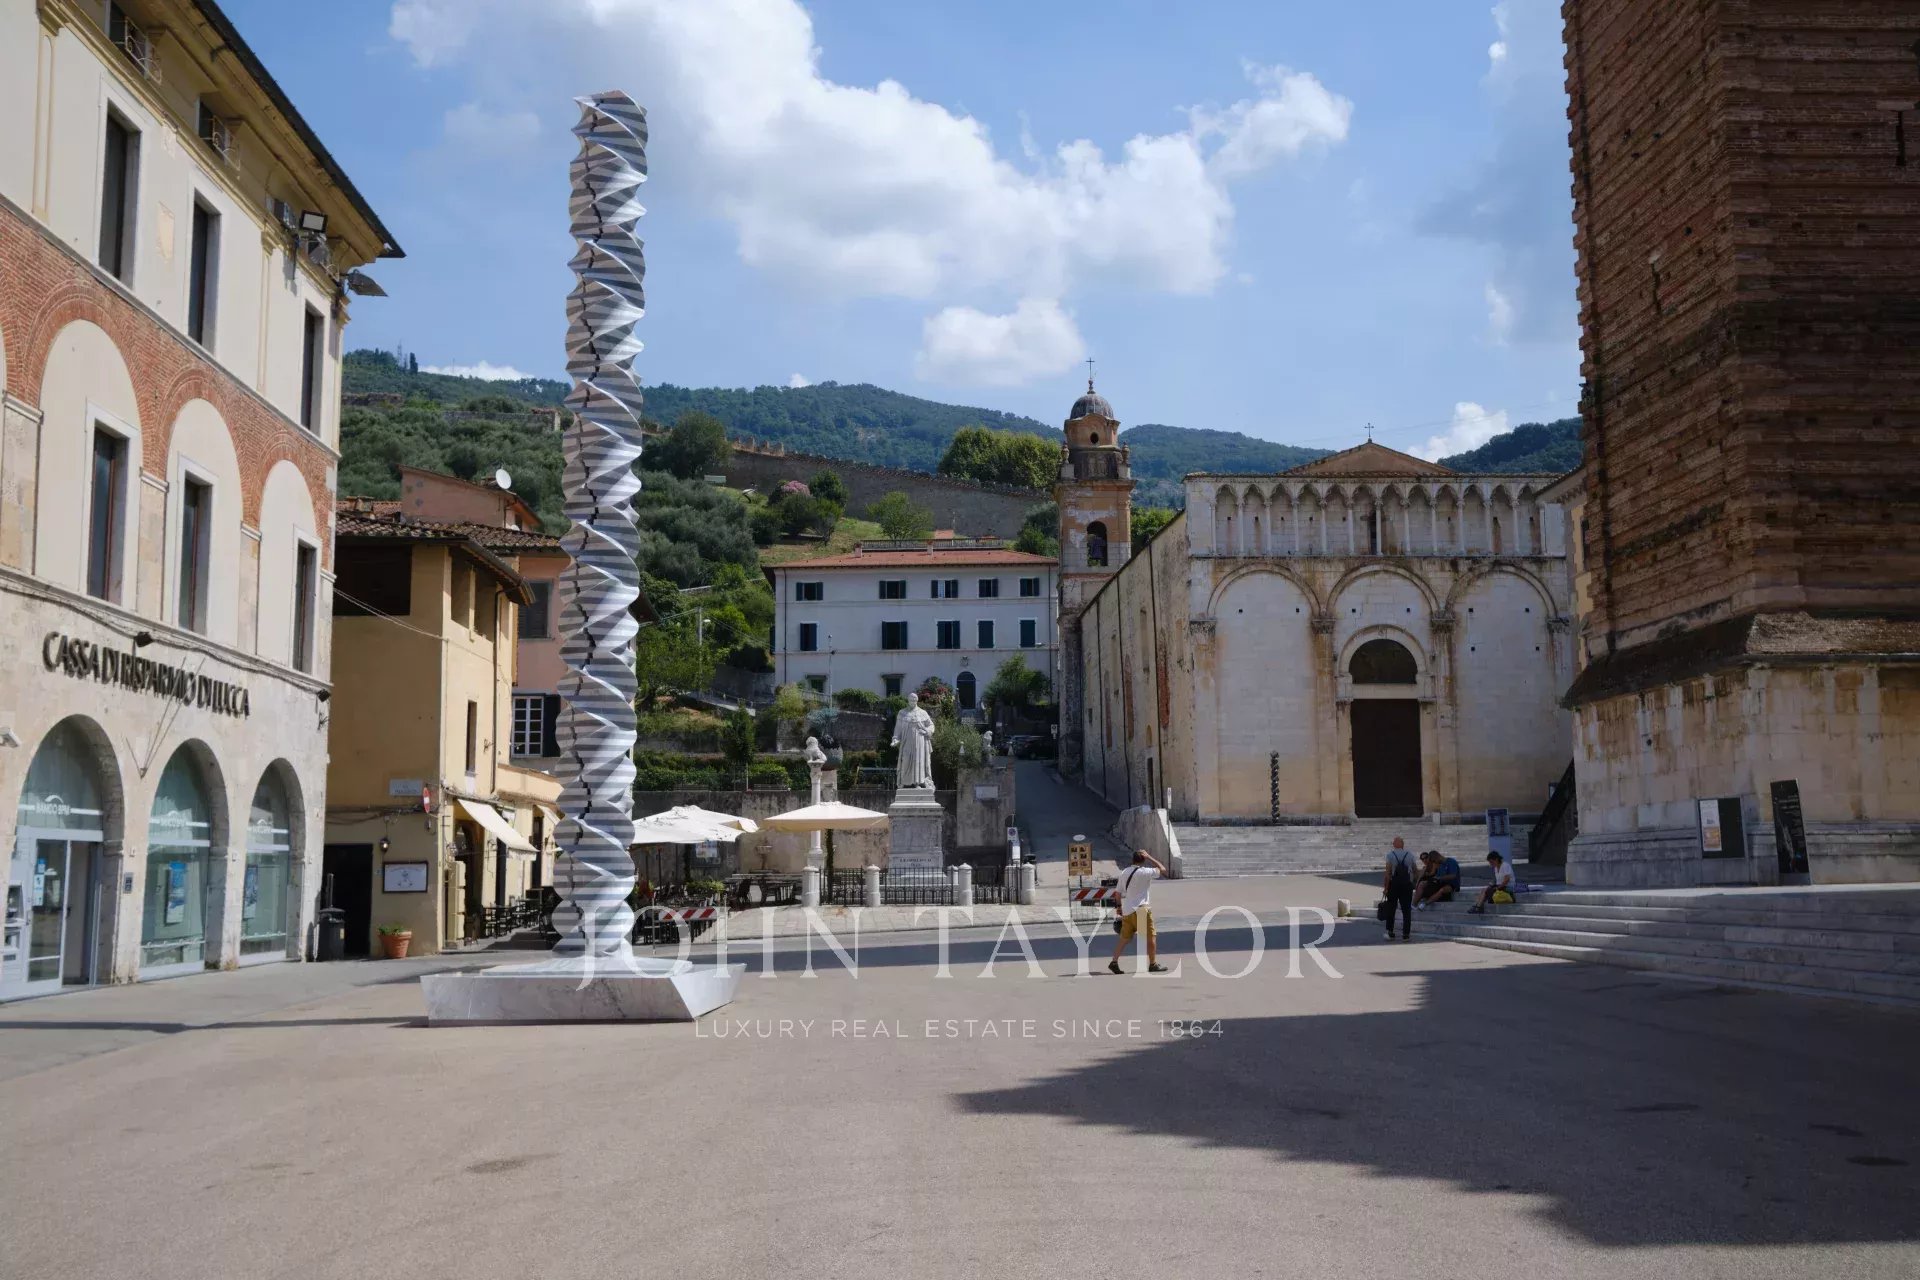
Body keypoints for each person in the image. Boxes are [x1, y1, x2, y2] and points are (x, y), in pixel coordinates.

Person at [1109, 850, 1170, 974]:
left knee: (1124, 938)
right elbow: (1163, 870)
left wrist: (1119, 908)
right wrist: (1150, 857)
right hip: (1142, 909)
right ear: (1143, 860)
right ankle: (1153, 964)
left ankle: (1114, 962)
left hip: (1127, 910)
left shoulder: (1125, 872)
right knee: (1151, 937)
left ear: (1133, 859)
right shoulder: (1146, 872)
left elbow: (1118, 893)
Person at [890, 692, 936, 789]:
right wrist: (895, 739)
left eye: (914, 700)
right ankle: (904, 781)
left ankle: (917, 783)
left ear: (917, 701)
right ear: (908, 700)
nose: (912, 702)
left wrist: (927, 731)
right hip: (907, 741)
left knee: (918, 761)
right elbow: (898, 728)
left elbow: (931, 725)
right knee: (905, 759)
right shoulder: (902, 713)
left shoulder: (923, 713)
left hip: (920, 741)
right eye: (911, 700)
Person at [1381, 837, 1416, 941]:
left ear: (1395, 844)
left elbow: (1388, 873)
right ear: (1402, 844)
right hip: (1407, 885)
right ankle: (1406, 934)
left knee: (1391, 909)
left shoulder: (1390, 855)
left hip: (1394, 885)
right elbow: (1415, 870)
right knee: (1406, 910)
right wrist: (1413, 883)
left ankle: (1390, 932)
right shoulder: (1410, 855)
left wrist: (1386, 888)